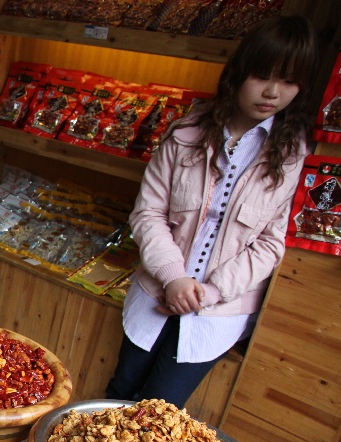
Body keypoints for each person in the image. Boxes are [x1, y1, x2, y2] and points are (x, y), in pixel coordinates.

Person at [105, 15, 319, 408]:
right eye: (261, 76)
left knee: (159, 412)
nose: (272, 92)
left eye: (288, 81)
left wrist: (213, 290)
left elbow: (270, 243)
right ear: (238, 74)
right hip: (156, 291)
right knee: (119, 392)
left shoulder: (291, 155)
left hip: (218, 311)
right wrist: (173, 277)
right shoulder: (185, 133)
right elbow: (148, 213)